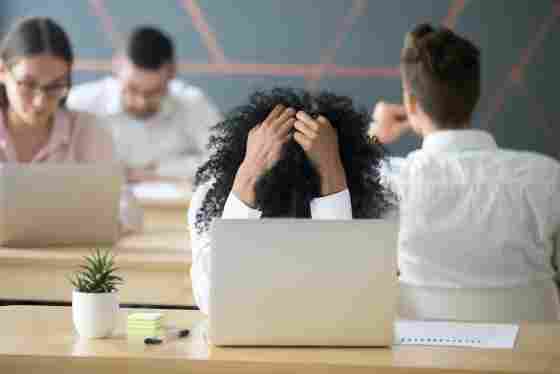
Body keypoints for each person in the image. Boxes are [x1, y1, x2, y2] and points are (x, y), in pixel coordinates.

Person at [371, 23, 560, 321]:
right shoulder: (546, 176)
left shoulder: (391, 182)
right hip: (534, 360)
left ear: (410, 103)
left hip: (422, 363)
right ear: (474, 94)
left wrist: (374, 136)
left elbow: (336, 181)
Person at [188, 88, 391, 314]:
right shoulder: (211, 198)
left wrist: (332, 177)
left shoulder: (368, 198)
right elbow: (212, 299)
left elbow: (351, 303)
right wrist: (249, 175)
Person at [0, 17, 143, 234]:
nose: (40, 101)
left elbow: (128, 208)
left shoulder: (88, 130)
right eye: (28, 85)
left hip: (70, 259)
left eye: (55, 86)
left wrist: (94, 224)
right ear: (2, 72)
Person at [67, 26, 222, 183]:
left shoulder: (192, 103)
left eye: (154, 92)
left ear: (172, 73)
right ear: (116, 66)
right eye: (132, 89)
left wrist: (157, 170)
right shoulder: (80, 102)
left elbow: (223, 160)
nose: (141, 102)